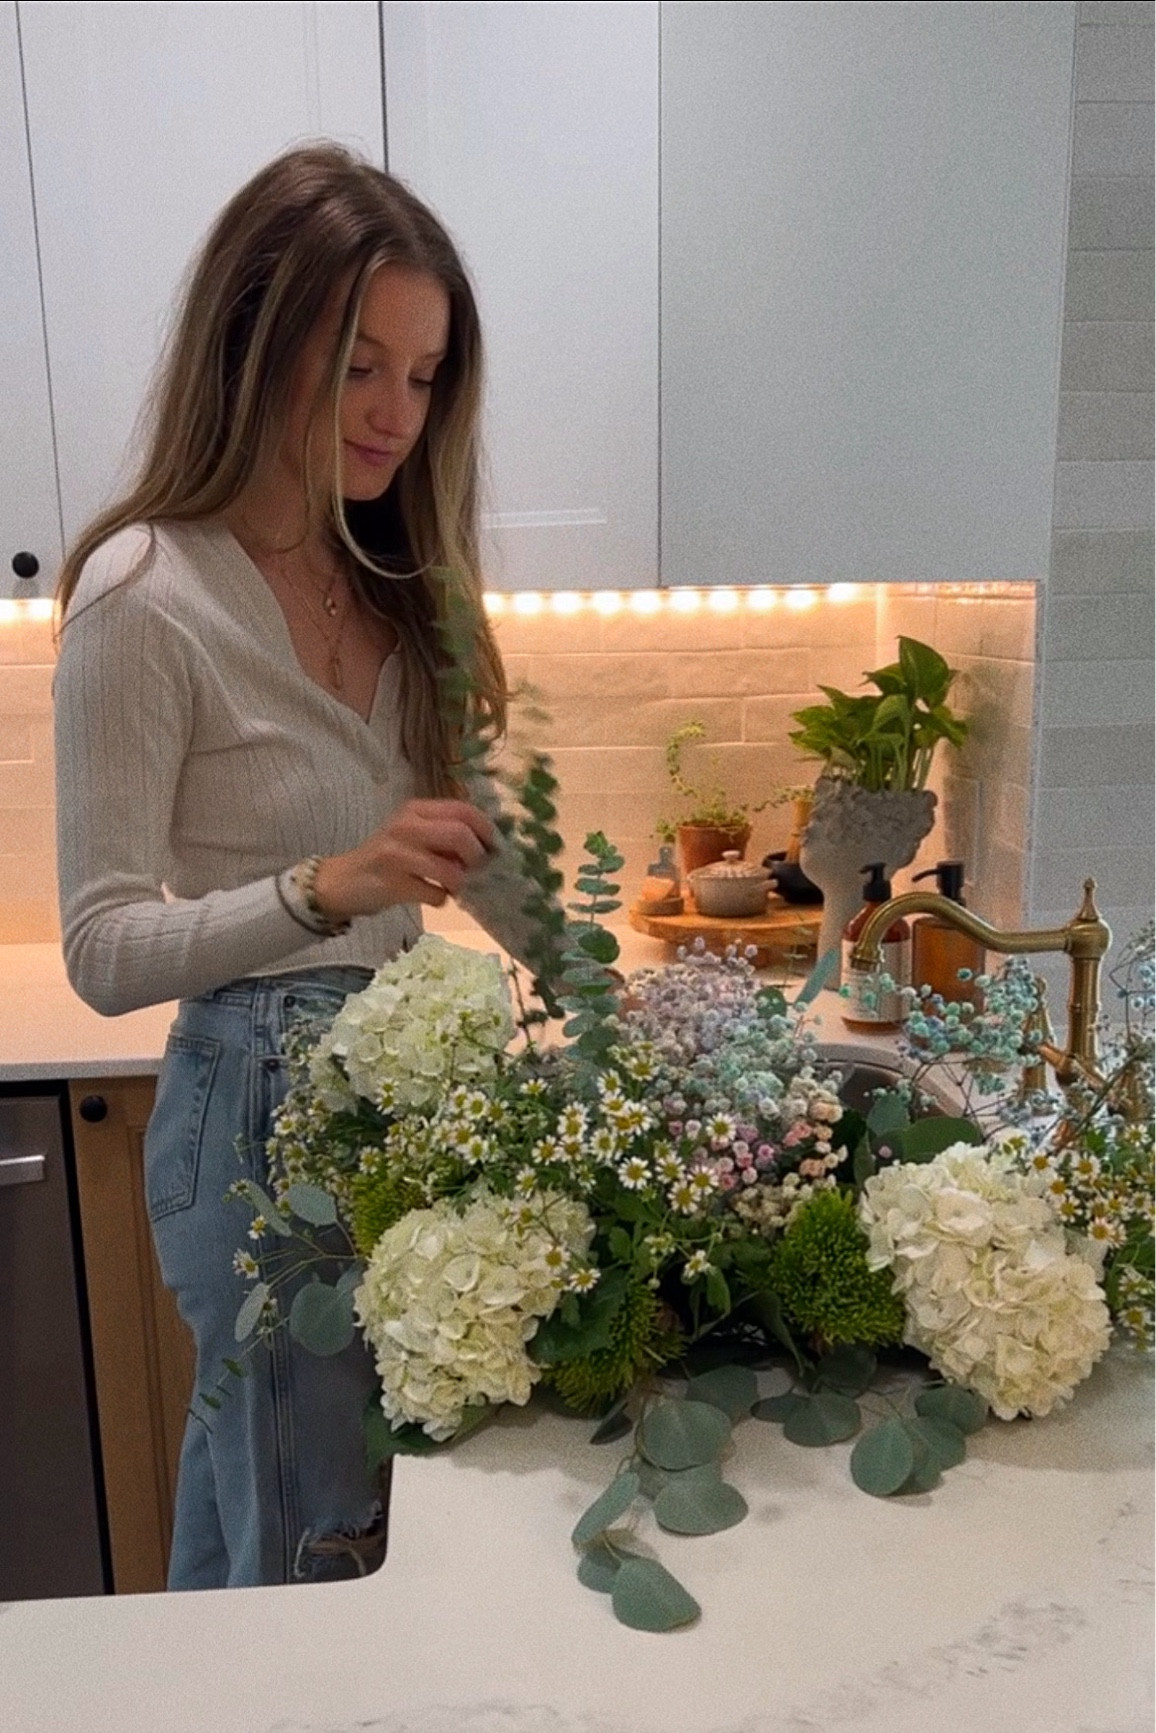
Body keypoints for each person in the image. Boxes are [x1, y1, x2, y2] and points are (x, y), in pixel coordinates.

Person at [53, 143, 542, 1590]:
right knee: (318, 1545)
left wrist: (614, 982)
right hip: (255, 1112)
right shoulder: (146, 598)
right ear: (257, 343)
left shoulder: (398, 580)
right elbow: (98, 946)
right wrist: (327, 884)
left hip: (392, 1099)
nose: (398, 414)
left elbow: (469, 852)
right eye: (359, 369)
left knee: (263, 1523)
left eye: (427, 373)